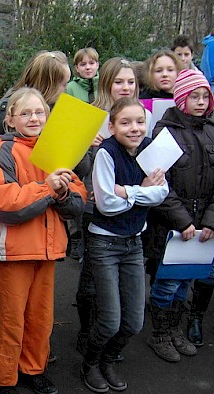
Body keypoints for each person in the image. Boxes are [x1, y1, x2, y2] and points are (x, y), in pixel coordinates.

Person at [0, 87, 86, 394]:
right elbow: (6, 204)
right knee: (10, 319)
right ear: (11, 118)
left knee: (40, 318)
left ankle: (33, 369)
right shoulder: (3, 149)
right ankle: (2, 379)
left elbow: (79, 197)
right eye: (25, 113)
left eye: (39, 112)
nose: (33, 118)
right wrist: (47, 188)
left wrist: (63, 192)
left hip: (47, 249)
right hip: (13, 252)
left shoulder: (58, 149)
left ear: (48, 117)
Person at [82, 97, 169, 393]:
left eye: (140, 122)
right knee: (109, 320)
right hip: (105, 243)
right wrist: (142, 191)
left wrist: (129, 193)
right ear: (112, 126)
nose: (134, 128)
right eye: (126, 122)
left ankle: (108, 358)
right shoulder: (107, 153)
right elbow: (106, 205)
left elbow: (162, 193)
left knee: (133, 321)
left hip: (134, 244)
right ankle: (92, 363)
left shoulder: (149, 149)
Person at [144, 69, 214, 363]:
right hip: (172, 228)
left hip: (203, 228)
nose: (201, 102)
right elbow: (159, 183)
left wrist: (211, 222)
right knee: (166, 283)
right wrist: (182, 221)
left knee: (186, 282)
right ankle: (160, 333)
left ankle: (176, 329)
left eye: (205, 96)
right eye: (194, 96)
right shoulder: (164, 134)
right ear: (181, 99)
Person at [75, 57, 146, 356]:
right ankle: (88, 333)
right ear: (106, 83)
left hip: (130, 216)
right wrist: (86, 147)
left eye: (130, 81)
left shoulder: (141, 116)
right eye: (119, 81)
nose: (125, 87)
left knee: (122, 286)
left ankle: (107, 336)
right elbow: (71, 166)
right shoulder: (90, 116)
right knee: (91, 281)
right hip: (96, 209)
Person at [0, 51, 71, 134]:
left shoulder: (58, 110)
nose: (66, 88)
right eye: (64, 84)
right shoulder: (5, 115)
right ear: (48, 86)